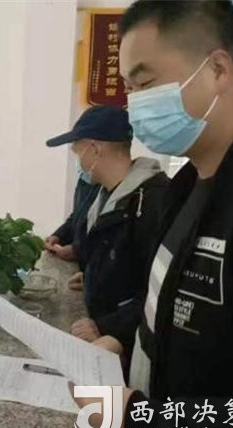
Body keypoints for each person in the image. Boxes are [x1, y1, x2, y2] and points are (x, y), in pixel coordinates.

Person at [74, 2, 233, 428]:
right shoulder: (184, 188)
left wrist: (139, 422)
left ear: (218, 70)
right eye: (129, 89)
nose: (134, 106)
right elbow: (167, 304)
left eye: (146, 84)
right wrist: (120, 338)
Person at [48, 105, 169, 352]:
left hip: (130, 347)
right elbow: (122, 262)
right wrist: (96, 278)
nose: (78, 161)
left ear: (94, 149)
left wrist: (108, 327)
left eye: (77, 151)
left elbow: (161, 292)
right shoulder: (106, 194)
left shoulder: (154, 203)